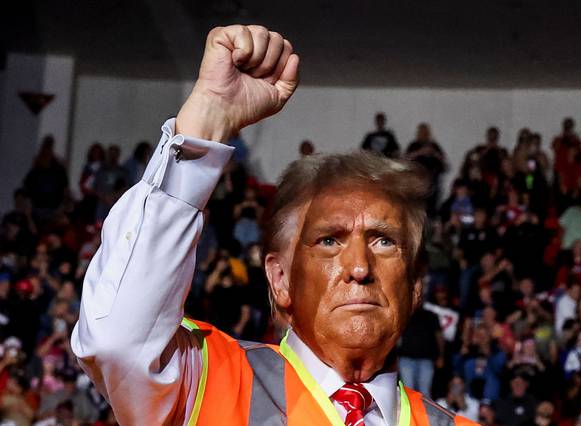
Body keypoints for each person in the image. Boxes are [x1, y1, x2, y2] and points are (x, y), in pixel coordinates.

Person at [71, 25, 477, 425]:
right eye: (330, 240)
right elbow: (119, 340)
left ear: (416, 283)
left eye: (384, 241)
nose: (359, 267)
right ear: (280, 279)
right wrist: (209, 119)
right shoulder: (206, 381)